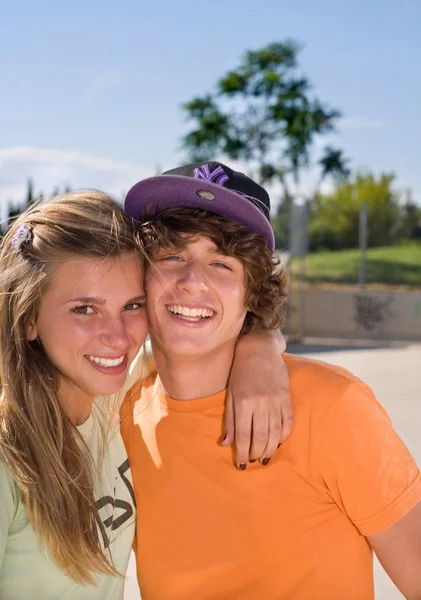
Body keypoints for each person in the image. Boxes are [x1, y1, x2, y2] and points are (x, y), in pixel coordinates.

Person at [121, 161, 421, 600]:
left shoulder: (331, 407)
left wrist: (261, 342)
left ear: (252, 295)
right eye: (172, 256)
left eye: (222, 264)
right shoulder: (123, 414)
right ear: (141, 278)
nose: (192, 281)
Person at [0, 190, 292, 600]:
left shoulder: (112, 395)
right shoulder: (8, 458)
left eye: (132, 305)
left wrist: (258, 346)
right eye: (85, 308)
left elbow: (200, 339)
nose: (118, 337)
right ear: (28, 317)